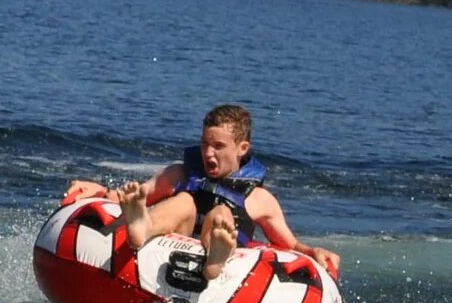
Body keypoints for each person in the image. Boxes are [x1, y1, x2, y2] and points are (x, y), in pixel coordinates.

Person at [60, 102, 342, 280]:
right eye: (205, 143)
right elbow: (137, 193)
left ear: (242, 149)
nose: (208, 153)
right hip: (173, 240)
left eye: (218, 146)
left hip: (220, 250)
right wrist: (103, 191)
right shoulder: (180, 173)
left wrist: (311, 250)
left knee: (221, 214)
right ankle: (141, 229)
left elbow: (289, 245)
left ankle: (216, 259)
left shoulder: (260, 199)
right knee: (183, 200)